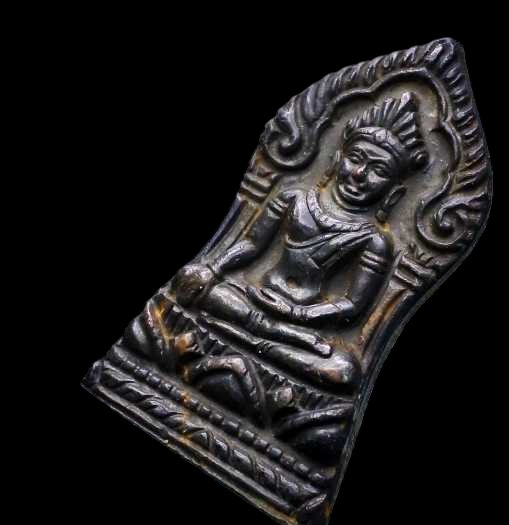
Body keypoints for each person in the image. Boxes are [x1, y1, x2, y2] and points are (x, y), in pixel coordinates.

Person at [172, 93, 429, 391]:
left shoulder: (374, 240)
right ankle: (263, 345)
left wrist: (298, 314)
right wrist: (214, 270)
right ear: (337, 158)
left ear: (395, 192)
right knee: (190, 281)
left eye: (379, 171)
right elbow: (252, 245)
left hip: (303, 324)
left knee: (344, 370)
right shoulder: (293, 197)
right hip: (252, 299)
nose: (360, 174)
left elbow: (352, 305)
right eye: (356, 159)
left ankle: (248, 342)